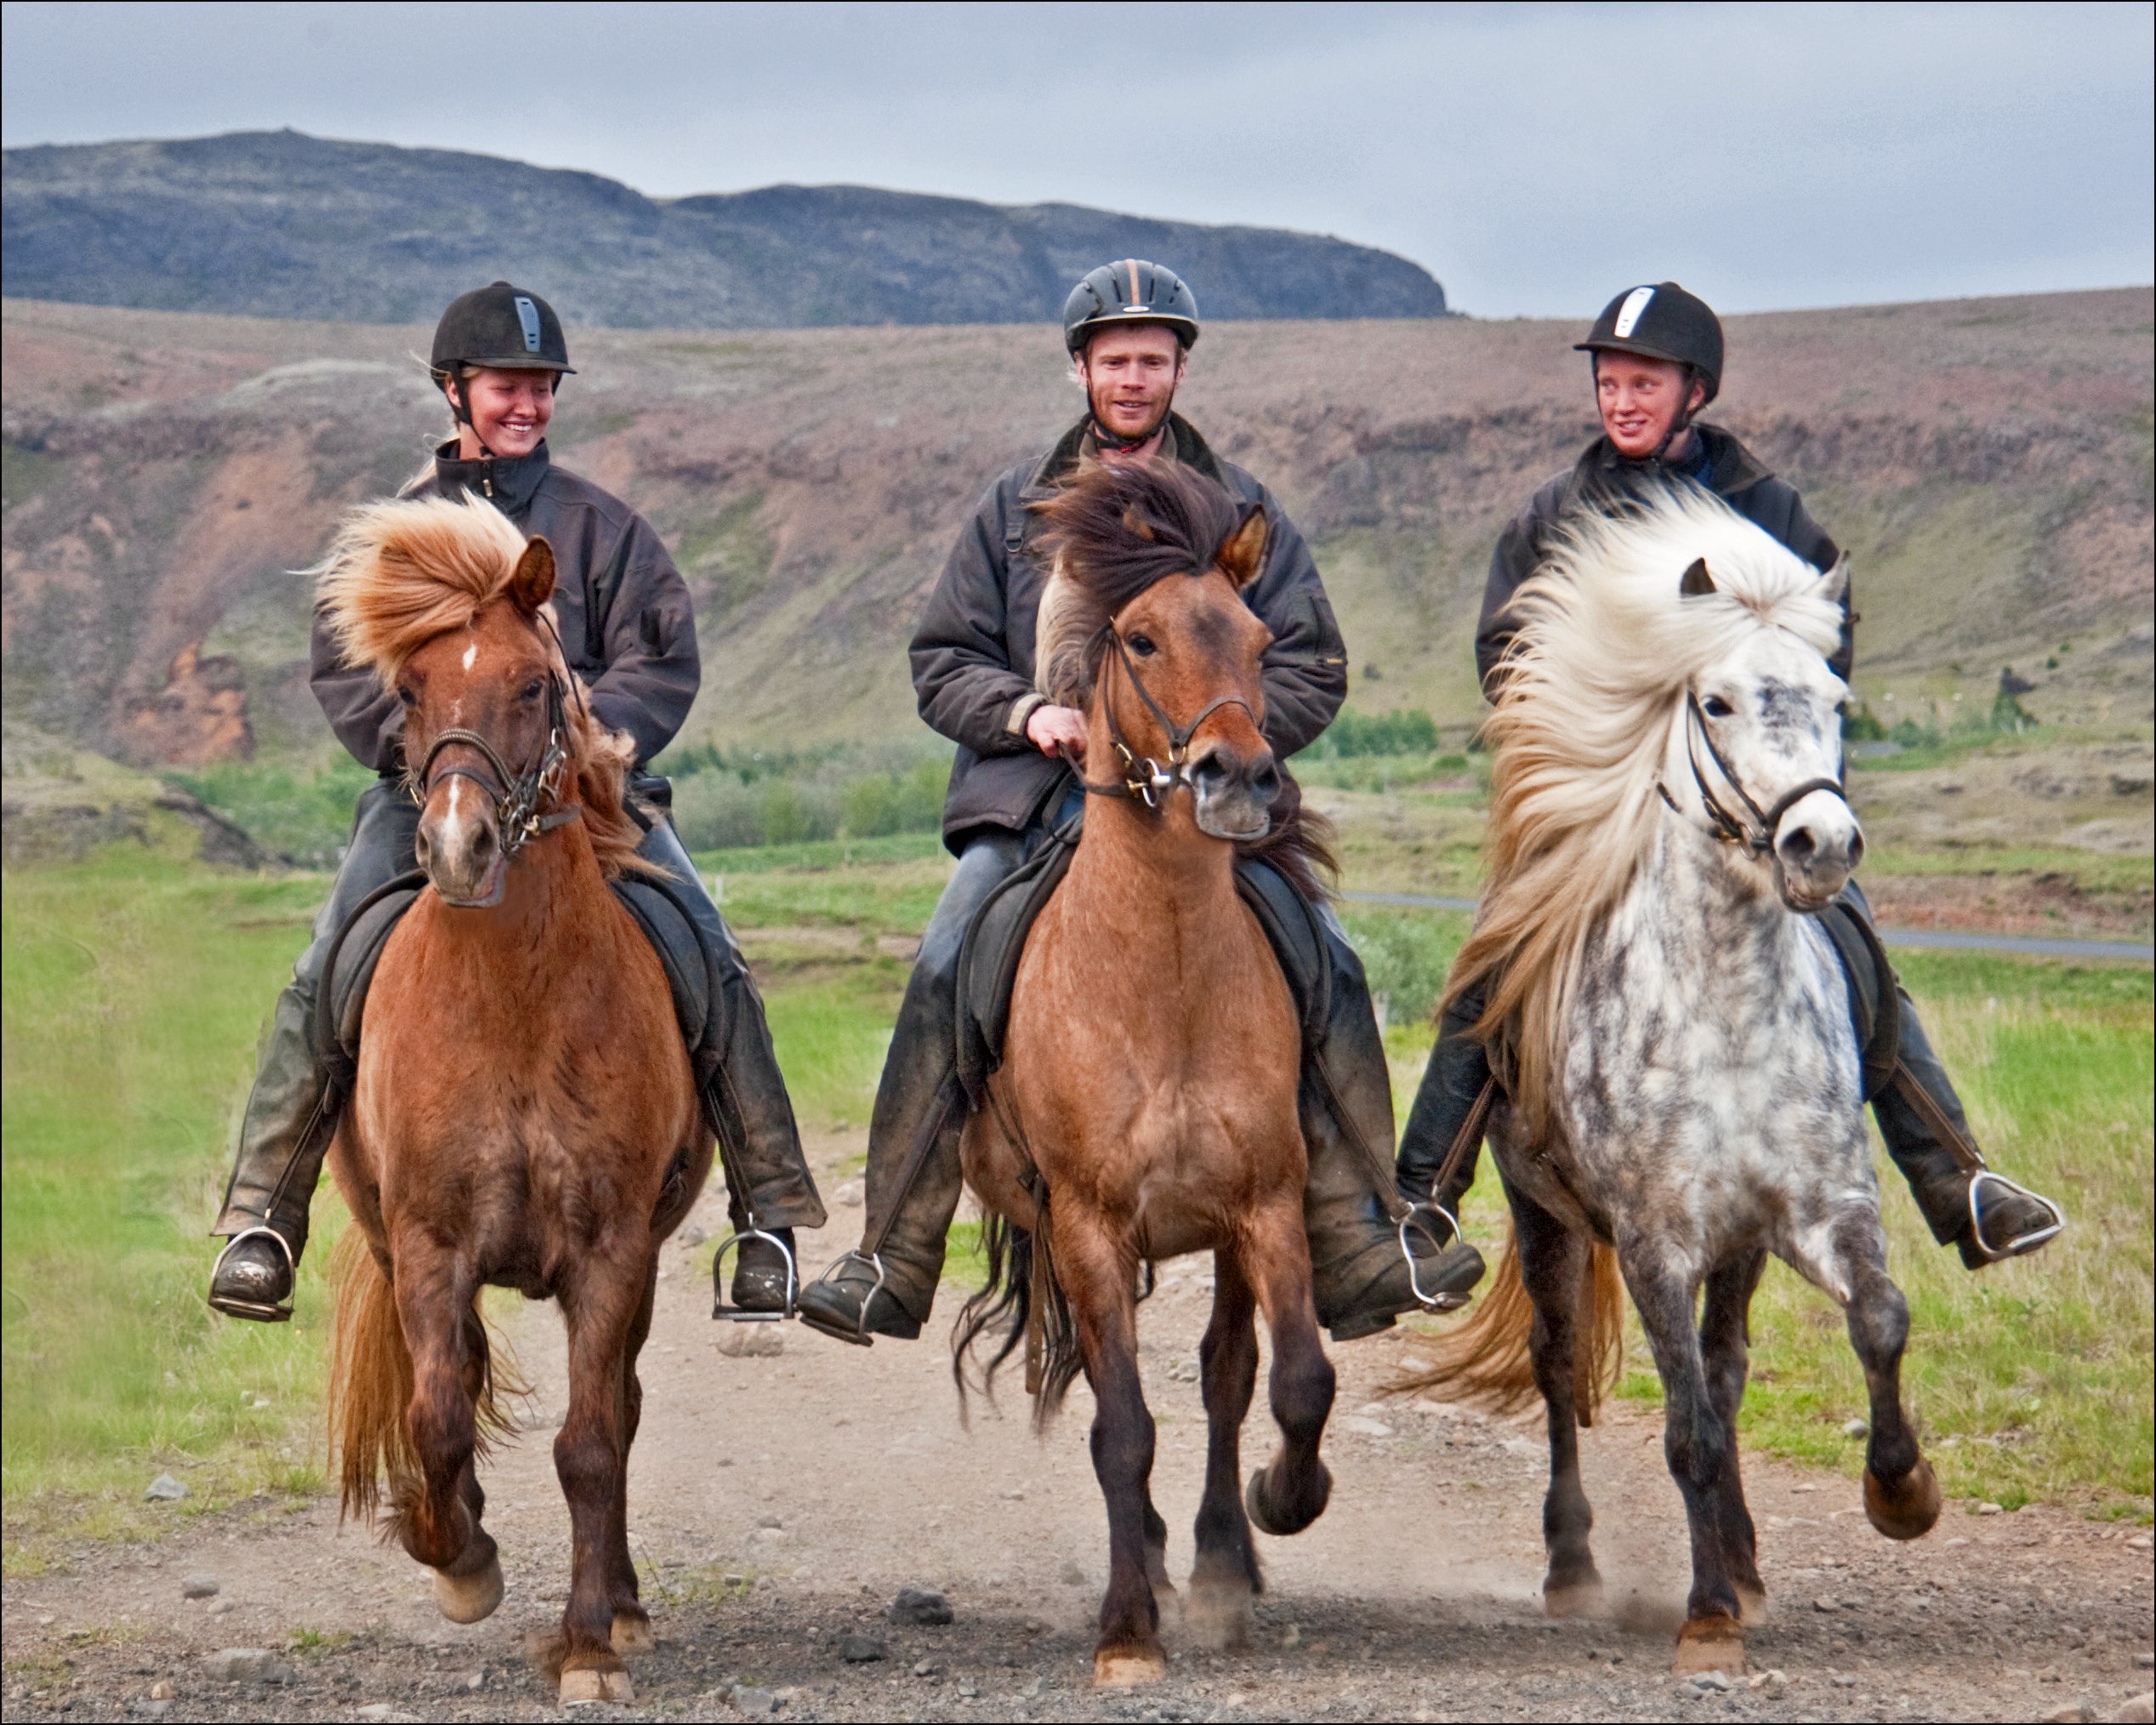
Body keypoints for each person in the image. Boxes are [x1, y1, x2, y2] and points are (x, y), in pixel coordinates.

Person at [796, 259, 1486, 1347]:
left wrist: (1225, 739)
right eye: (1114, 360)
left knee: (1331, 960)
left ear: (1179, 371)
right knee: (946, 958)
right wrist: (1027, 712)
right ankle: (895, 1249)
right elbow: (942, 659)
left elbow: (1313, 663)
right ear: (1081, 369)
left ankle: (1363, 1236)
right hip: (1041, 801)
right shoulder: (1014, 510)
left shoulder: (1240, 512)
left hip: (1208, 807)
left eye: (1152, 360)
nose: (1133, 378)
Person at [1393, 281, 2065, 1269]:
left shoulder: (1765, 509)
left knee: (1854, 942)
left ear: (1695, 391)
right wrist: (1606, 718)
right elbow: (1504, 654)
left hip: (1742, 803)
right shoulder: (1559, 515)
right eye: (1609, 382)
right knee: (1496, 955)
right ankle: (1424, 1205)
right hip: (1605, 802)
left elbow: (1828, 637)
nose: (1622, 401)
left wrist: (1769, 738)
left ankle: (1958, 1180)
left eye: (1644, 384)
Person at [208, 281, 824, 1322]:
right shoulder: (400, 538)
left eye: (542, 387)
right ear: (455, 390)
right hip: (434, 793)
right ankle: (265, 1214)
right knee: (328, 962)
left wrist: (581, 733)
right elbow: (346, 671)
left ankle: (768, 1212)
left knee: (708, 950)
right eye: (506, 386)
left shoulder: (604, 529)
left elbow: (663, 659)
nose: (526, 405)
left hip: (593, 795)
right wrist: (438, 752)